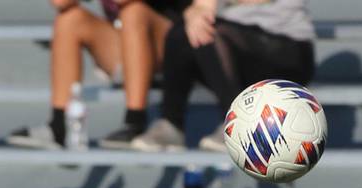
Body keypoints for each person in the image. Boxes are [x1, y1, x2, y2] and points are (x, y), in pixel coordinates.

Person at [132, 0, 315, 152]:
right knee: (180, 33)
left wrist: (202, 6)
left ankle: (240, 127)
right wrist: (193, 11)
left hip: (286, 49)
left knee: (209, 33)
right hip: (229, 47)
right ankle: (171, 124)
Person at [8, 1, 183, 150]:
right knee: (69, 19)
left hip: (171, 40)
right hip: (125, 42)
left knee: (133, 12)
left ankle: (135, 121)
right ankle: (59, 125)